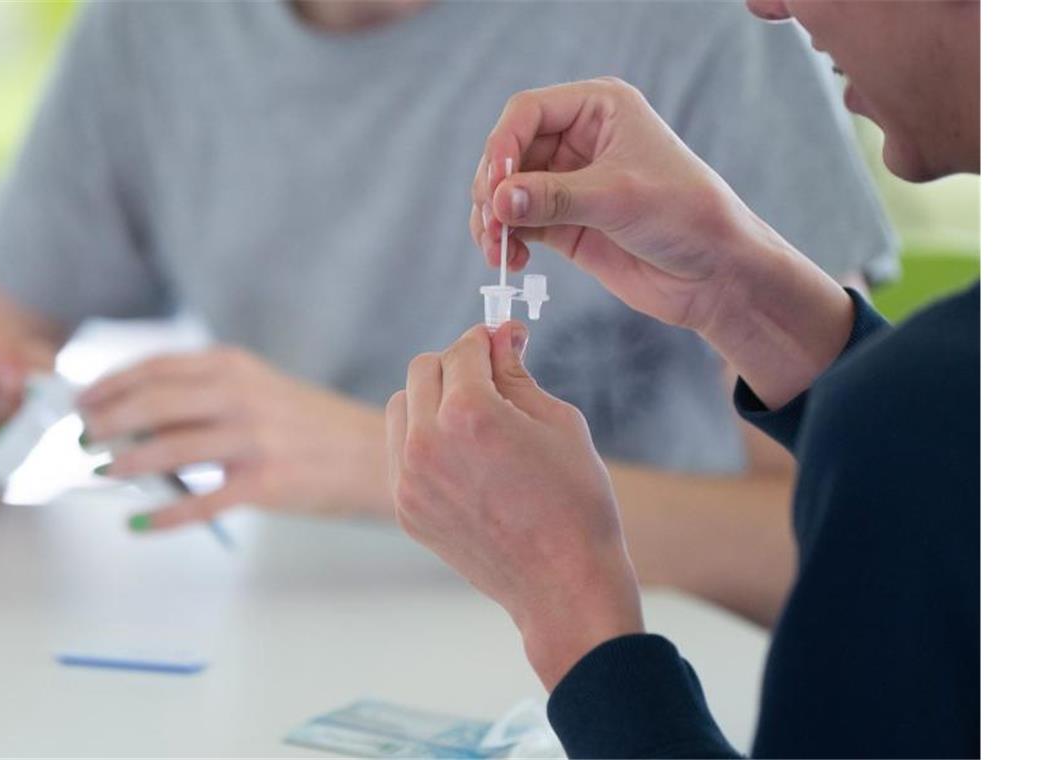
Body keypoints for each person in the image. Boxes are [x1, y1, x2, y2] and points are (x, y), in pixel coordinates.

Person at [0, 0, 896, 627]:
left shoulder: (703, 26)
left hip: (647, 669)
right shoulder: (152, 30)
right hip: (300, 639)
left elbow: (858, 544)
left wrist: (381, 461)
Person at [387, 1, 978, 757]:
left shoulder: (924, 402)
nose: (766, 6)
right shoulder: (947, 400)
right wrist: (745, 297)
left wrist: (574, 610)